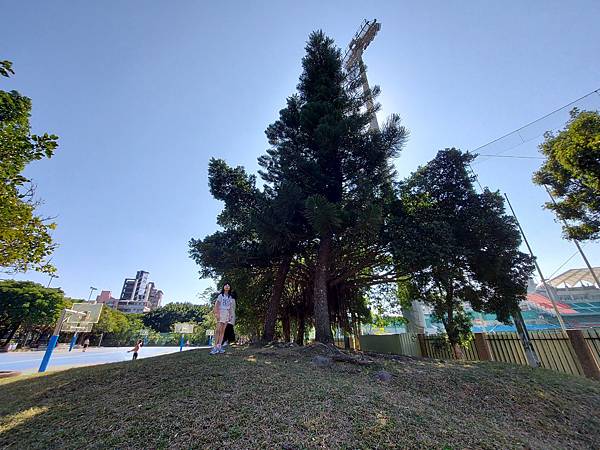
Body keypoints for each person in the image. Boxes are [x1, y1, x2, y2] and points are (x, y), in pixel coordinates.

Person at [210, 283, 236, 355]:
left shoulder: (230, 297)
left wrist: (230, 315)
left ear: (230, 287)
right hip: (221, 312)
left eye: (228, 285)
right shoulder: (221, 295)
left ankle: (219, 346)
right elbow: (217, 305)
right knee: (218, 330)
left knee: (222, 331)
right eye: (226, 285)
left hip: (227, 314)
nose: (227, 286)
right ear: (223, 287)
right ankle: (215, 347)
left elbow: (230, 307)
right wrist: (217, 314)